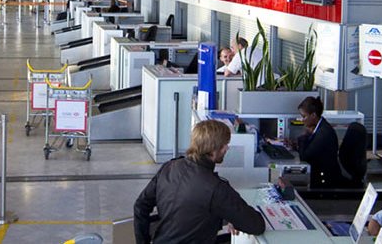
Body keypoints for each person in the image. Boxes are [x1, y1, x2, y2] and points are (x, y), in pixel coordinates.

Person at [132, 120, 266, 243]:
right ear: (213, 149)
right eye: (224, 145)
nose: (227, 149)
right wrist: (235, 219)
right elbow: (256, 225)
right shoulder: (216, 188)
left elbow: (140, 206)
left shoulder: (170, 167)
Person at [291, 96, 343, 187]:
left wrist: (304, 136)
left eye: (304, 116)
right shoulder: (321, 127)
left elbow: (305, 157)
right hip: (321, 174)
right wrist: (294, 145)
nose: (302, 120)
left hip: (324, 180)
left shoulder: (323, 133)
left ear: (313, 115)